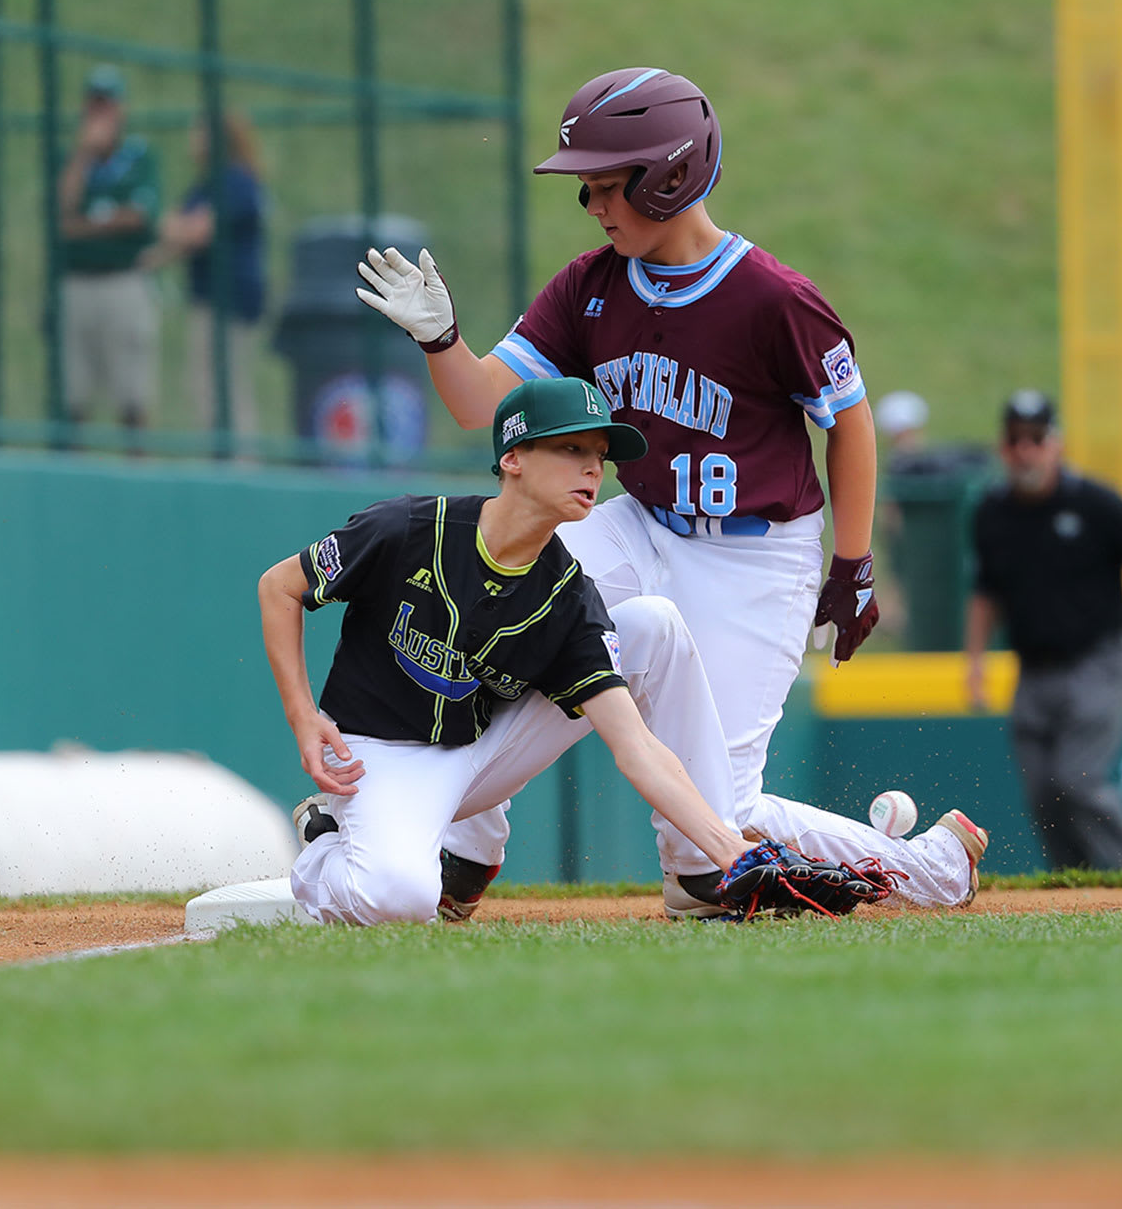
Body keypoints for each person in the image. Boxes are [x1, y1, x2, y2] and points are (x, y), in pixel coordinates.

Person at [355, 66, 915, 920]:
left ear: (672, 176)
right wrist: (443, 340)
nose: (593, 207)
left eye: (608, 187)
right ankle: (465, 853)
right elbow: (480, 403)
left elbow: (851, 421)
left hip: (754, 557)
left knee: (714, 830)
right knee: (487, 587)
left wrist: (852, 562)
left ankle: (932, 869)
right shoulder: (590, 286)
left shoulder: (774, 298)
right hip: (642, 526)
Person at [263, 377, 981, 926]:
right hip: (377, 755)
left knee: (653, 625)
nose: (592, 470)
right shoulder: (410, 527)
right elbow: (279, 588)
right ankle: (327, 849)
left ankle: (704, 869)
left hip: (475, 756)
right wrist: (303, 717)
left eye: (600, 455)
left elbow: (636, 747)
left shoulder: (567, 592)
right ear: (513, 456)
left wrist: (735, 853)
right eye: (571, 449)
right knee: (401, 900)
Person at [964, 391, 1122, 873]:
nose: (1025, 450)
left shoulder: (1096, 502)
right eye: (1016, 440)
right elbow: (985, 591)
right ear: (1002, 447)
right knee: (1042, 794)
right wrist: (973, 663)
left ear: (1056, 444)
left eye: (1036, 439)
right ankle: (1076, 888)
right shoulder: (992, 512)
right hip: (1032, 669)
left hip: (1097, 661)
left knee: (1077, 778)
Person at [143, 110, 267, 439]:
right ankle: (224, 457)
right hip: (209, 297)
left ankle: (239, 463)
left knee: (221, 385)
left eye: (200, 131)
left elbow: (193, 232)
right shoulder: (206, 185)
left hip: (231, 299)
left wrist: (178, 230)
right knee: (204, 384)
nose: (193, 139)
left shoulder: (237, 181)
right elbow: (172, 229)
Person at [57, 65, 161, 431]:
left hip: (122, 280)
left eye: (107, 105)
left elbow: (139, 217)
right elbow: (62, 218)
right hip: (77, 280)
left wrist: (87, 225)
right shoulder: (71, 159)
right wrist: (83, 154)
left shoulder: (138, 156)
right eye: (94, 105)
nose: (100, 114)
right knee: (73, 391)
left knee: (132, 392)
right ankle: (71, 473)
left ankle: (138, 471)